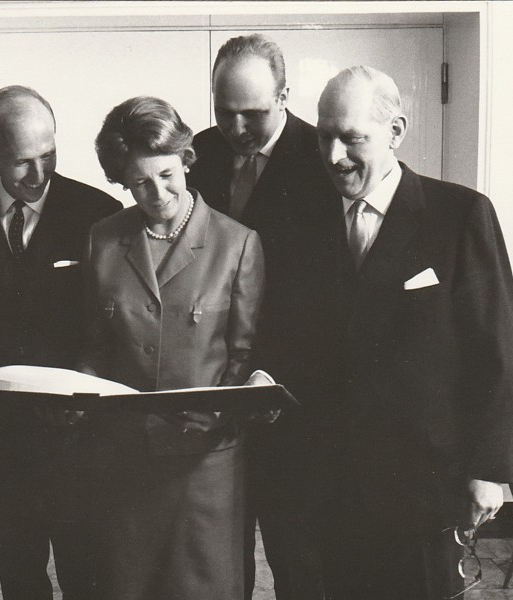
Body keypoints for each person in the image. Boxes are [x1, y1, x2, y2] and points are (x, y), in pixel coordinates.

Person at [311, 65, 513, 599]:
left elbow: (497, 348)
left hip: (424, 481)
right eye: (324, 136)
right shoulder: (309, 219)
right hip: (333, 480)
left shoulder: (461, 213)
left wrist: (491, 469)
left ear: (396, 132)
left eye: (352, 138)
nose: (334, 156)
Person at [78, 95, 265, 600]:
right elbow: (94, 347)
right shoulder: (102, 239)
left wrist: (218, 414)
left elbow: (243, 356)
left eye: (166, 174)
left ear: (185, 160)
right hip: (125, 456)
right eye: (139, 182)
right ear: (121, 180)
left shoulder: (237, 243)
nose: (156, 192)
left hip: (204, 462)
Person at [0, 85, 121, 600]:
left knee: (87, 576)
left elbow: (114, 323)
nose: (39, 174)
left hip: (79, 434)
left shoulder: (99, 212)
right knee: (20, 576)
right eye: (22, 162)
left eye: (48, 154)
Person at [186, 34, 340, 599]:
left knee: (297, 554)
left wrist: (276, 373)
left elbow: (331, 296)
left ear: (284, 97)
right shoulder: (197, 155)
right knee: (218, 556)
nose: (237, 128)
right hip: (213, 389)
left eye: (252, 113)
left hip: (292, 397)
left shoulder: (325, 158)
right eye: (224, 112)